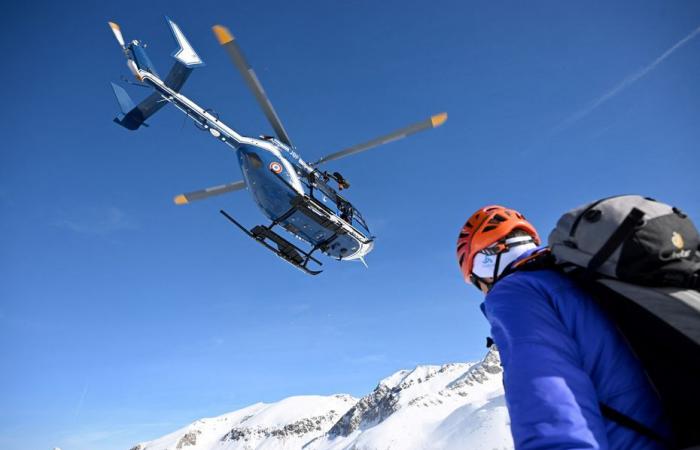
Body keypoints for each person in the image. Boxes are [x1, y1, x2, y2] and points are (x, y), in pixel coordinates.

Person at [456, 205, 671, 449]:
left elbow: (550, 401)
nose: (483, 292)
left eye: (476, 282)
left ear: (485, 263)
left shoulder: (514, 292)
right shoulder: (575, 274)